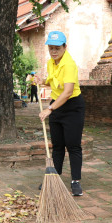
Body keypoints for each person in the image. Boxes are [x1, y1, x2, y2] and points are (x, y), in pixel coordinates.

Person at [36, 31, 85, 196]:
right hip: (57, 105)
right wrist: (41, 81)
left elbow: (67, 92)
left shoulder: (69, 64)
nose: (53, 51)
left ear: (65, 47)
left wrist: (49, 109)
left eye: (57, 48)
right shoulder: (51, 63)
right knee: (57, 146)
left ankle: (75, 181)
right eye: (51, 48)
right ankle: (54, 179)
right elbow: (53, 82)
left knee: (73, 145)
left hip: (72, 107)